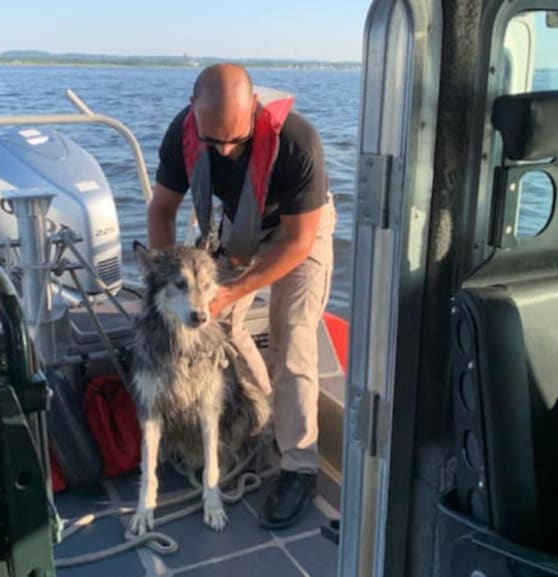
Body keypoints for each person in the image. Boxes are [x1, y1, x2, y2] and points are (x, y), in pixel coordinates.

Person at [147, 63, 336, 528]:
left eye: (238, 140)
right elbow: (162, 210)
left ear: (254, 109)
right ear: (193, 116)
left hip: (299, 230)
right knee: (222, 326)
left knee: (292, 338)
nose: (227, 150)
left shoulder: (298, 141)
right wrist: (164, 279)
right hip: (241, 225)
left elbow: (296, 243)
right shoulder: (182, 134)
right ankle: (268, 412)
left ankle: (299, 466)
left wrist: (233, 289)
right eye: (215, 142)